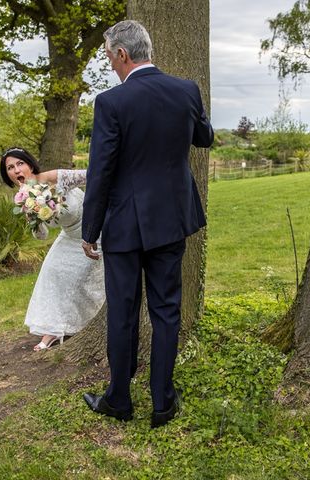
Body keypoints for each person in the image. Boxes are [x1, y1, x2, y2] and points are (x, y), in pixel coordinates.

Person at [81, 20, 214, 428]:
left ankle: (119, 400)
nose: (110, 66)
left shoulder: (111, 102)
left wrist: (90, 229)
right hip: (171, 221)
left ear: (122, 54)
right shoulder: (186, 90)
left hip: (123, 225)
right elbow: (205, 138)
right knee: (166, 311)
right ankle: (163, 403)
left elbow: (100, 170)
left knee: (122, 312)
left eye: (108, 57)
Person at [0, 147, 105, 351]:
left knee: (82, 279)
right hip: (70, 235)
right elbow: (42, 236)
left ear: (29, 164)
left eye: (20, 163)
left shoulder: (56, 177)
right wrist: (32, 214)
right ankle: (53, 330)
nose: (16, 170)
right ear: (8, 175)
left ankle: (86, 319)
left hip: (95, 229)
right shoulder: (25, 198)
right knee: (51, 272)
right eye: (10, 168)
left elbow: (93, 176)